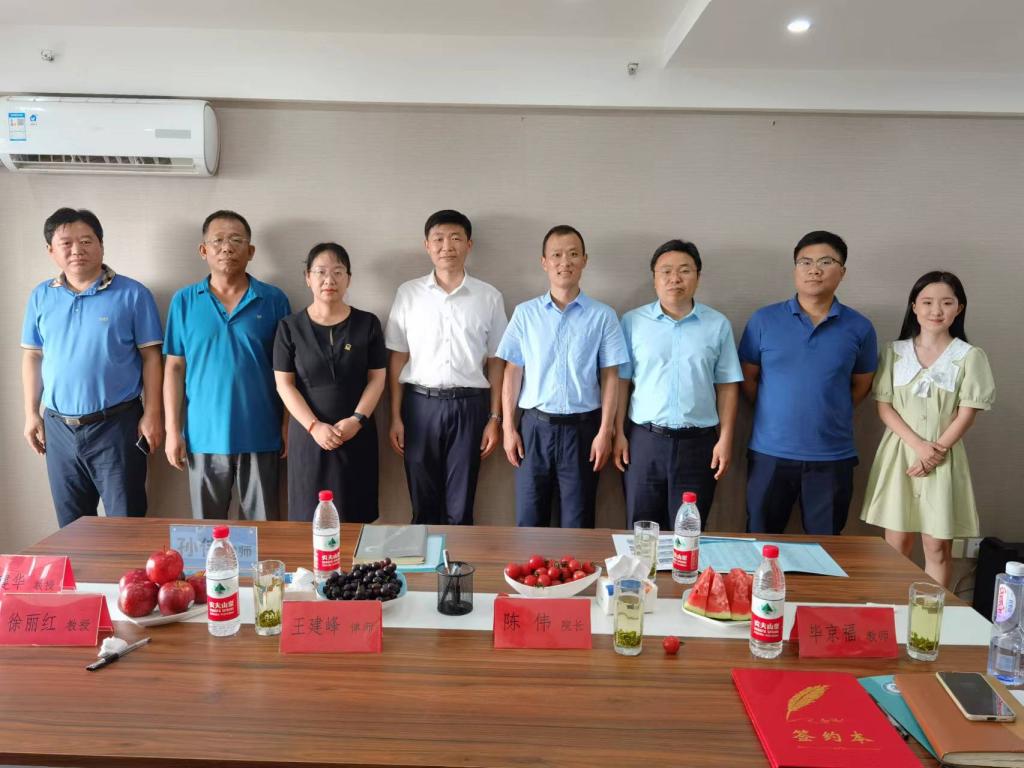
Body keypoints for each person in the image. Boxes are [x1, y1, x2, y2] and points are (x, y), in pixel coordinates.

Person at [21, 208, 164, 528]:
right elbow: (32, 356)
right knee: (72, 528)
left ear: (101, 244)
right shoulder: (41, 296)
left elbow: (152, 357)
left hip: (118, 425)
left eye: (86, 241)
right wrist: (31, 413)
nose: (77, 250)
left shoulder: (133, 294)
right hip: (58, 427)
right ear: (51, 250)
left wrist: (153, 414)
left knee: (126, 524)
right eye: (66, 243)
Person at [739, 230, 877, 535]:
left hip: (832, 457)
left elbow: (862, 385)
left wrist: (828, 408)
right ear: (795, 270)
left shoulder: (860, 327)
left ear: (842, 272)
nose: (814, 270)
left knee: (826, 548)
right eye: (806, 262)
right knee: (760, 541)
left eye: (826, 262)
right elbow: (748, 378)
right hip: (770, 452)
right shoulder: (764, 320)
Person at [860, 271, 994, 587]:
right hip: (901, 455)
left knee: (936, 547)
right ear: (914, 306)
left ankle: (933, 614)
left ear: (959, 308)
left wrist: (935, 453)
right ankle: (894, 607)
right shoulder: (894, 352)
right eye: (927, 302)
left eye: (946, 303)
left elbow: (966, 414)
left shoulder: (970, 356)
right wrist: (919, 447)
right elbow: (884, 407)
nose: (936, 310)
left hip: (943, 458)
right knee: (896, 544)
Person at [498, 224, 629, 528]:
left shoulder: (603, 316)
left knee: (578, 523)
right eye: (556, 255)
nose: (564, 262)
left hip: (583, 431)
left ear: (584, 260)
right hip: (534, 429)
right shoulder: (525, 314)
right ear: (544, 262)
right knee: (530, 521)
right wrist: (508, 427)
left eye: (572, 254)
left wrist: (605, 432)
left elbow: (611, 377)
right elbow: (512, 371)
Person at [163, 210, 291, 520]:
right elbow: (174, 369)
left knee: (263, 533)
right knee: (207, 533)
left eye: (236, 240)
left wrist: (288, 425)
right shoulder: (184, 301)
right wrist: (172, 431)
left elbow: (288, 370)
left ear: (251, 251)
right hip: (202, 436)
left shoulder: (274, 300)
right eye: (217, 240)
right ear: (203, 250)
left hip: (261, 433)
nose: (227, 248)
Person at [385, 210, 507, 525]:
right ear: (427, 245)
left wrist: (495, 418)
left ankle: (458, 559)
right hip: (419, 405)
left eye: (455, 238)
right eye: (438, 239)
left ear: (469, 244)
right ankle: (423, 559)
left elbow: (497, 361)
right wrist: (395, 416)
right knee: (422, 502)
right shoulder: (408, 293)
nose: (447, 247)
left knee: (461, 505)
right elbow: (398, 357)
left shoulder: (489, 297)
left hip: (470, 406)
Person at [614, 239, 742, 529]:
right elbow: (621, 381)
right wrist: (618, 433)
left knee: (689, 532)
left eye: (684, 270)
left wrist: (725, 439)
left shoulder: (717, 325)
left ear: (697, 276)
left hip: (699, 445)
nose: (675, 278)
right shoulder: (632, 322)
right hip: (644, 441)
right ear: (654, 278)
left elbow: (727, 386)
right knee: (642, 529)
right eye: (666, 271)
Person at [274, 243, 387, 522]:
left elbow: (377, 378)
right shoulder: (289, 327)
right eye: (321, 272)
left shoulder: (368, 323)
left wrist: (357, 420)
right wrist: (314, 427)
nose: (329, 280)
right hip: (308, 436)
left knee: (356, 517)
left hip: (356, 434)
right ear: (307, 277)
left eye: (338, 272)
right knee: (309, 519)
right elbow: (284, 385)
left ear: (349, 278)